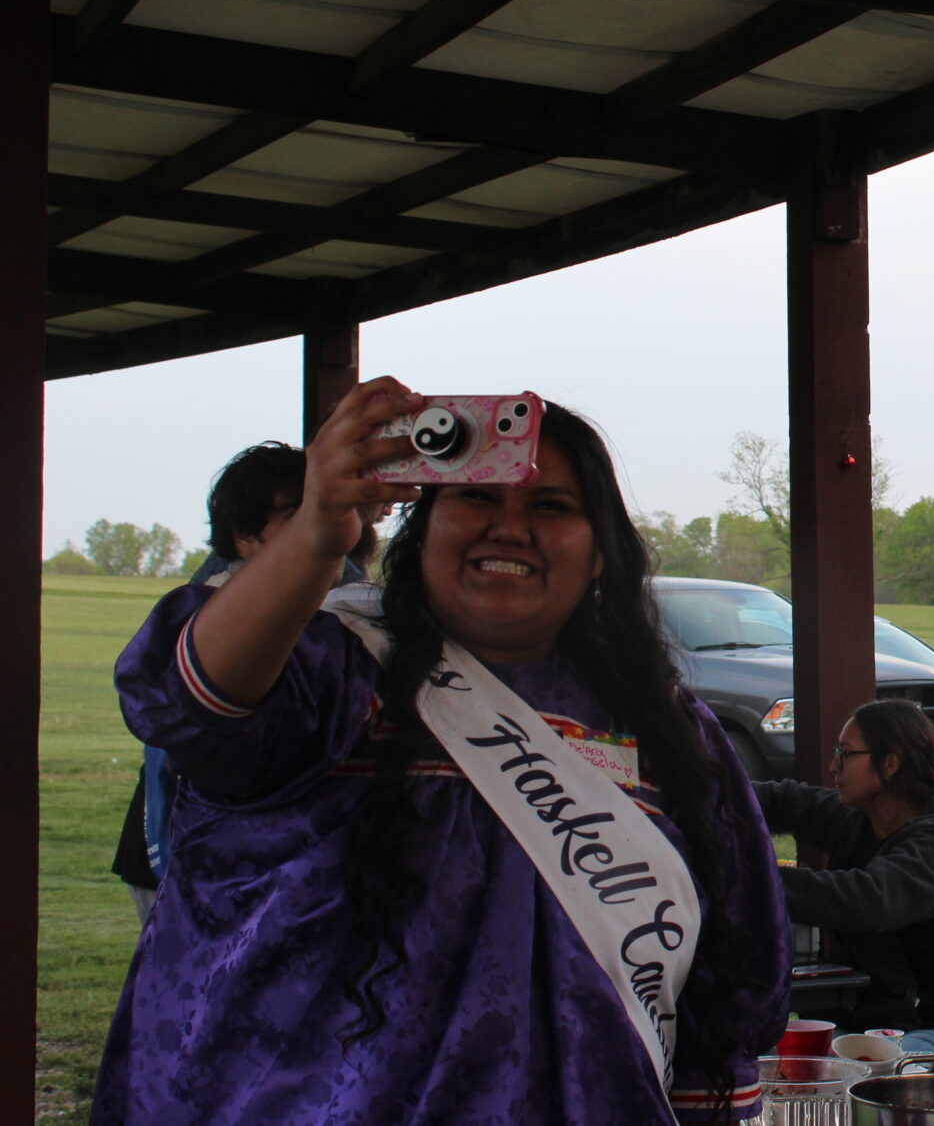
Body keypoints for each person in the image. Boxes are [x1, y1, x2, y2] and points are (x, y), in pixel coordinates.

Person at [93, 380, 788, 1125]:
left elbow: (730, 987)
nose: (510, 527)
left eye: (551, 506)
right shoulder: (332, 672)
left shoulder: (674, 739)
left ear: (599, 557)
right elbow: (193, 704)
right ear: (422, 532)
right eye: (478, 498)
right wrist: (317, 530)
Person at [110, 441, 312, 923]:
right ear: (244, 536)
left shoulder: (328, 608)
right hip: (190, 870)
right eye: (296, 512)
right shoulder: (216, 619)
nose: (319, 520)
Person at [753, 699, 934, 1051]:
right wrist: (705, 795)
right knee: (756, 1063)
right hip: (866, 1030)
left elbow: (866, 900)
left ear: (891, 763)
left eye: (846, 754)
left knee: (847, 1077)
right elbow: (784, 800)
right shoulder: (861, 820)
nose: (833, 766)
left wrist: (750, 879)